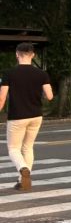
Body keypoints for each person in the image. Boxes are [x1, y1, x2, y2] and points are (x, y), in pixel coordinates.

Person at [1, 43, 53, 192]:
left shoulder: (9, 74)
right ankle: (23, 181)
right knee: (28, 147)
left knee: (13, 148)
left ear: (17, 54)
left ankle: (23, 168)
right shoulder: (42, 74)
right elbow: (49, 96)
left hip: (17, 116)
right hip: (36, 115)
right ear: (33, 55)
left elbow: (2, 98)